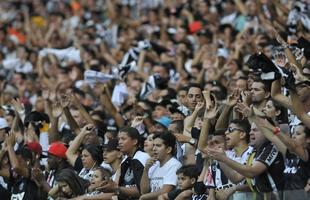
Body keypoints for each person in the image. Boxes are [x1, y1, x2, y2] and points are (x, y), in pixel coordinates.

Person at [140, 132, 182, 200]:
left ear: (168, 149)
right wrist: (146, 169)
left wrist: (143, 197)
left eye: (158, 146)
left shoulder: (174, 165)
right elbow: (143, 191)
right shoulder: (154, 165)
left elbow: (166, 191)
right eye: (153, 145)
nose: (154, 149)